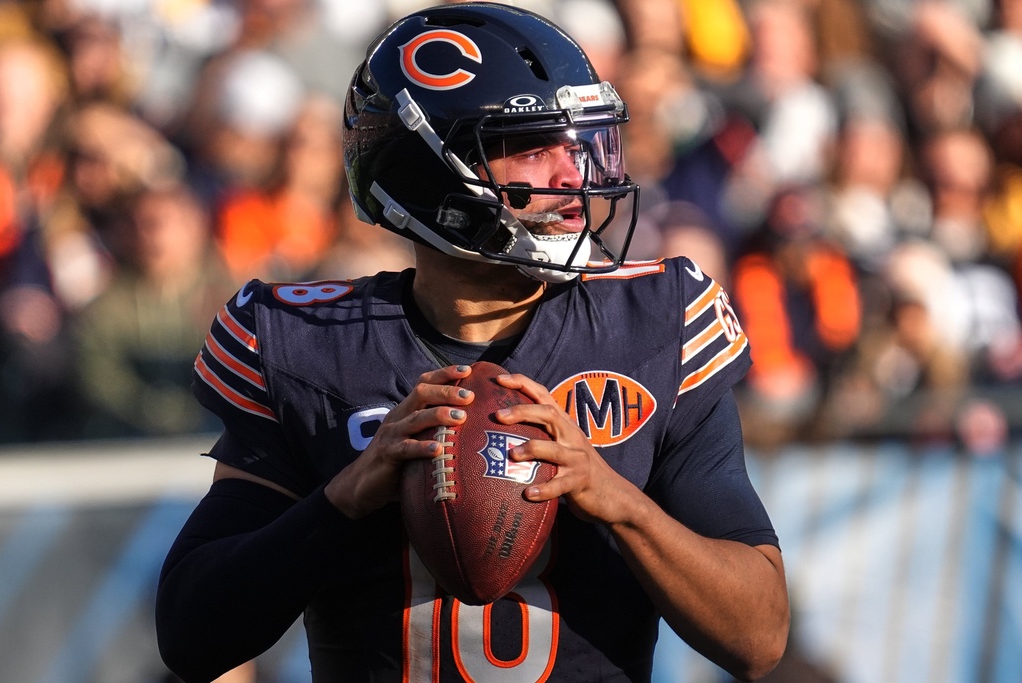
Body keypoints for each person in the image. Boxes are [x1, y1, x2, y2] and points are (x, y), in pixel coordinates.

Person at [155, 4, 789, 682]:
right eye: (533, 147)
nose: (571, 177)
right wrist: (342, 499)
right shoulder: (304, 346)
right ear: (428, 171)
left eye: (577, 145)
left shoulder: (657, 323)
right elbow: (192, 635)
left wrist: (616, 499)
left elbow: (759, 634)